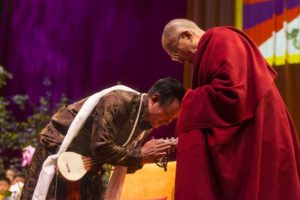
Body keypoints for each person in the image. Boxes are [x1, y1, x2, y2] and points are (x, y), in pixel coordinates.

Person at [161, 19, 300, 200]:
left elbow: (232, 94)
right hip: (250, 128)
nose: (176, 59)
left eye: (174, 51)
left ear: (187, 36)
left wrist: (188, 101)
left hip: (262, 128)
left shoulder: (221, 38)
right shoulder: (205, 53)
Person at [21, 77, 185, 200]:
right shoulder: (119, 100)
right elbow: (101, 146)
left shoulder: (145, 125)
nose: (168, 122)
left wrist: (145, 158)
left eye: (172, 119)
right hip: (59, 149)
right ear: (154, 99)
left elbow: (122, 160)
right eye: (168, 114)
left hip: (88, 164)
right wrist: (140, 155)